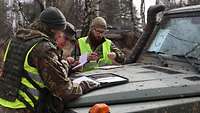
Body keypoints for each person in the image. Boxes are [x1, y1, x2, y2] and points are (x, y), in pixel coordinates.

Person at [0, 7, 98, 113]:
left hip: (4, 104)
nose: (60, 35)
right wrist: (83, 85)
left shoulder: (14, 40)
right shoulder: (43, 48)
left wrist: (66, 66)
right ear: (52, 29)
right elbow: (64, 90)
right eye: (60, 31)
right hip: (25, 108)